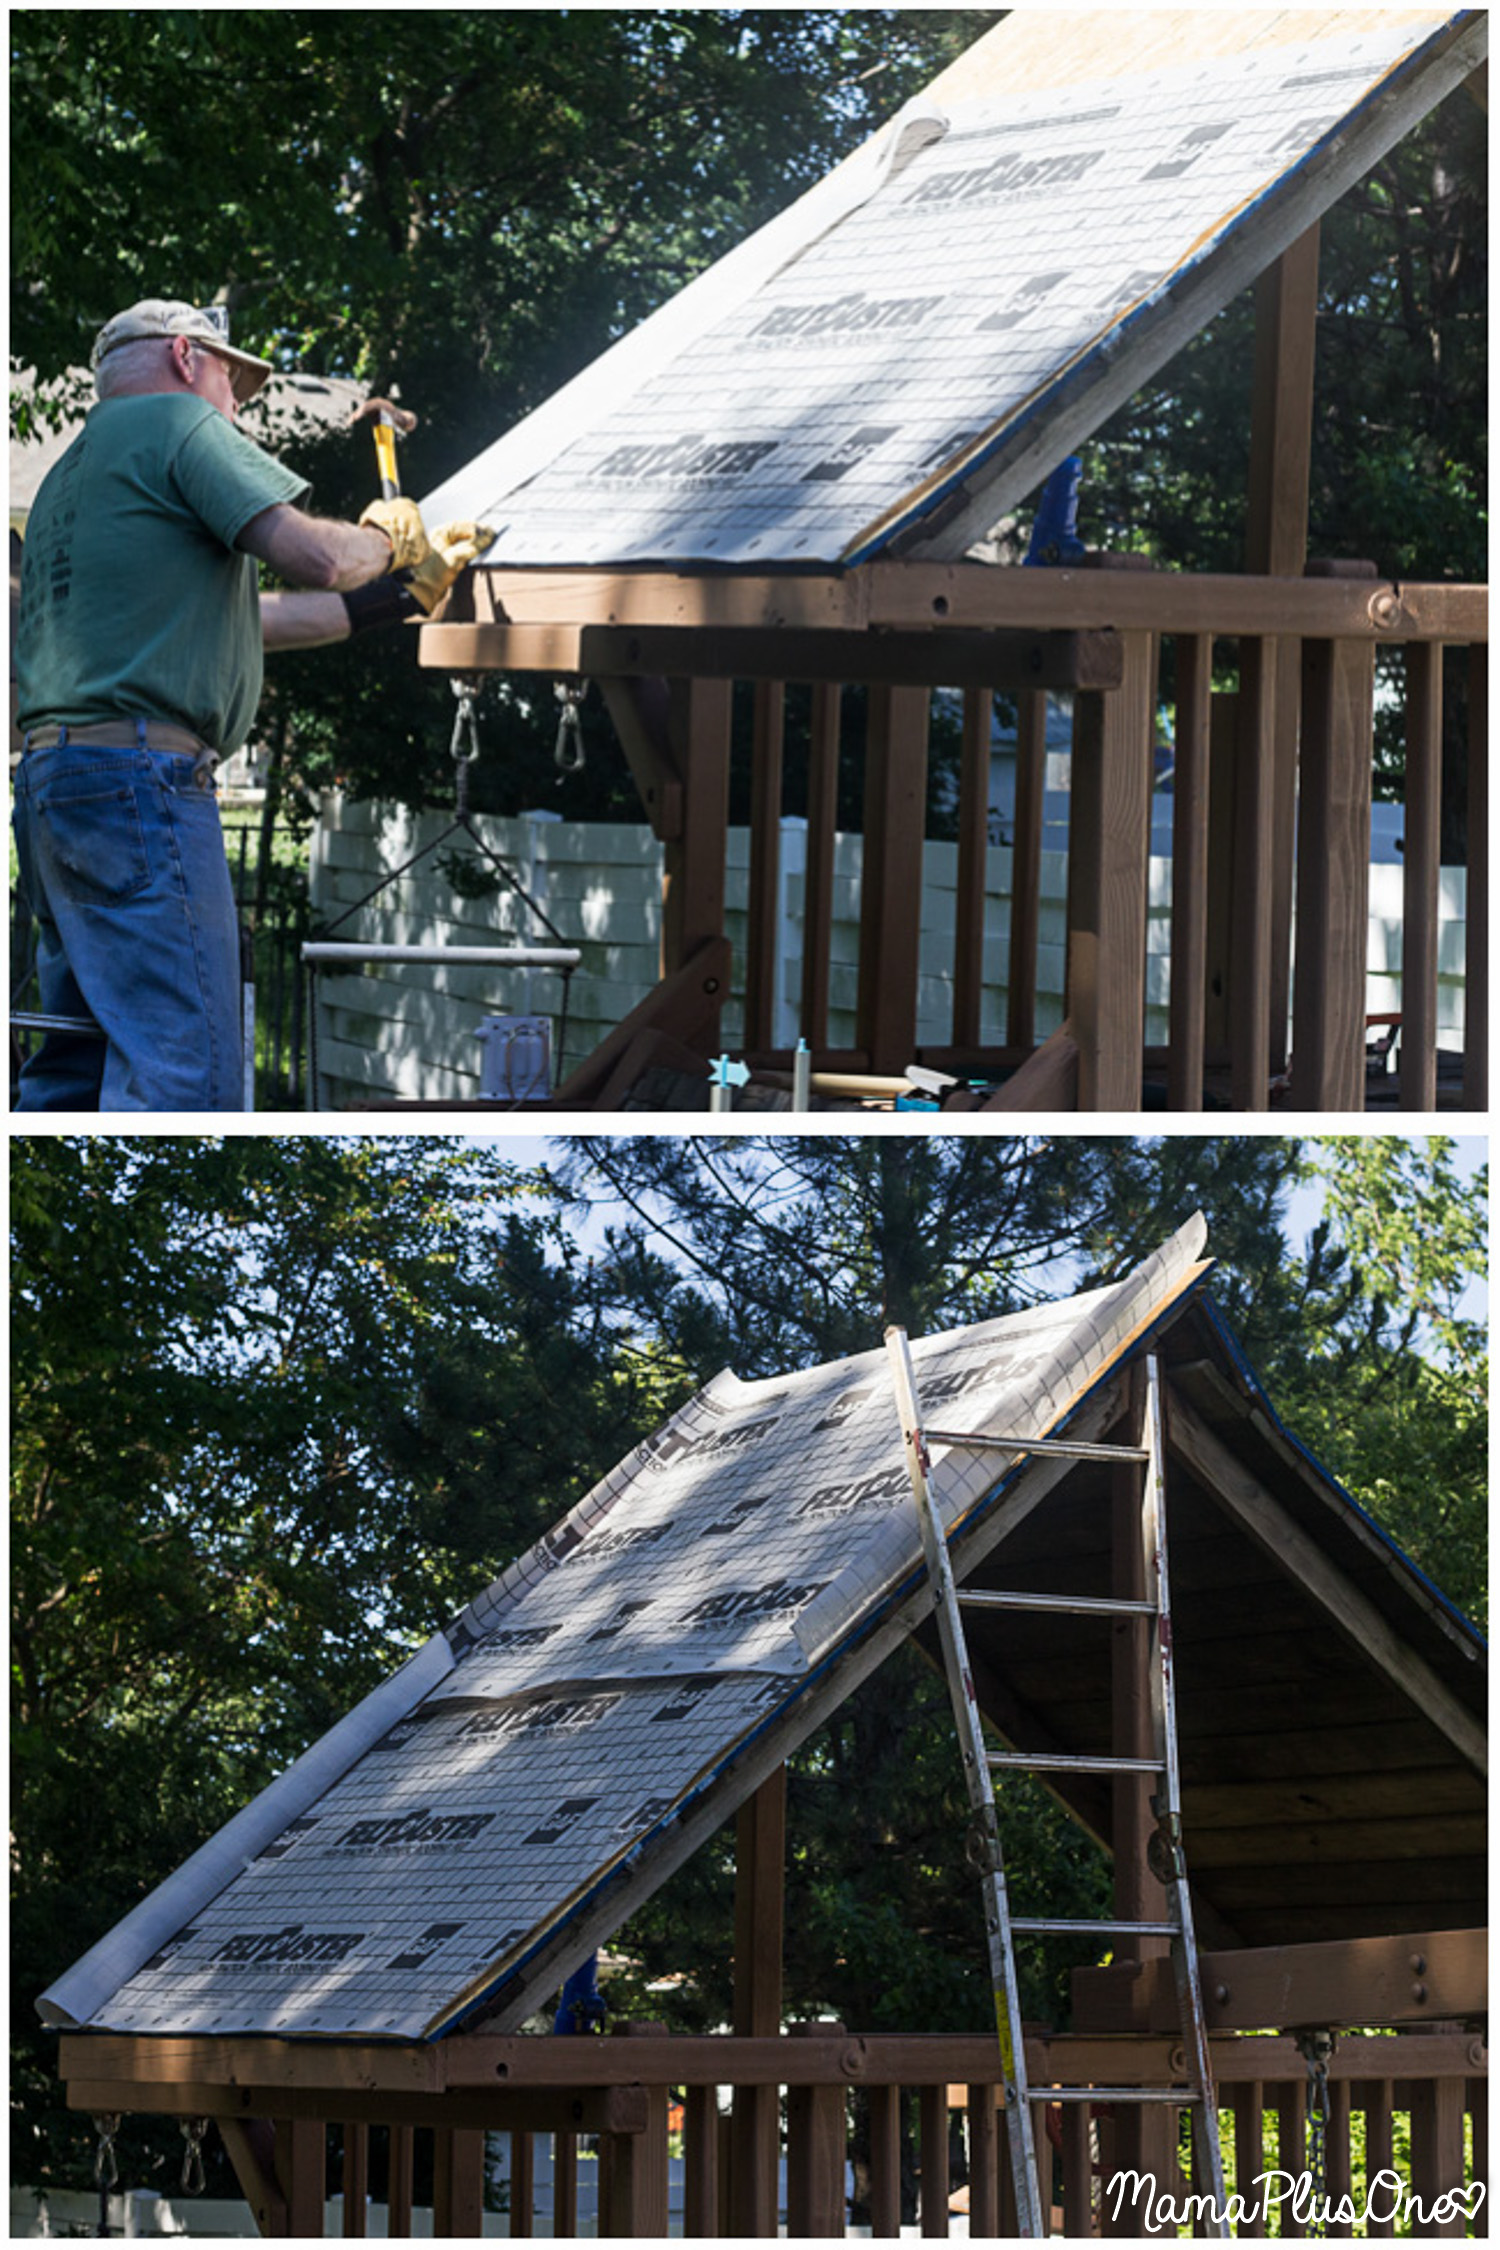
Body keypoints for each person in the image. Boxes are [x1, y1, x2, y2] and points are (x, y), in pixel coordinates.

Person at [12, 298, 488, 1112]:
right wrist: (387, 541)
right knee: (184, 1071)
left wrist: (402, 599)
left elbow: (246, 620)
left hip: (58, 784)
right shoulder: (178, 425)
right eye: (235, 382)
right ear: (186, 358)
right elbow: (317, 557)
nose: (239, 406)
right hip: (142, 784)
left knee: (75, 1061)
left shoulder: (70, 477)